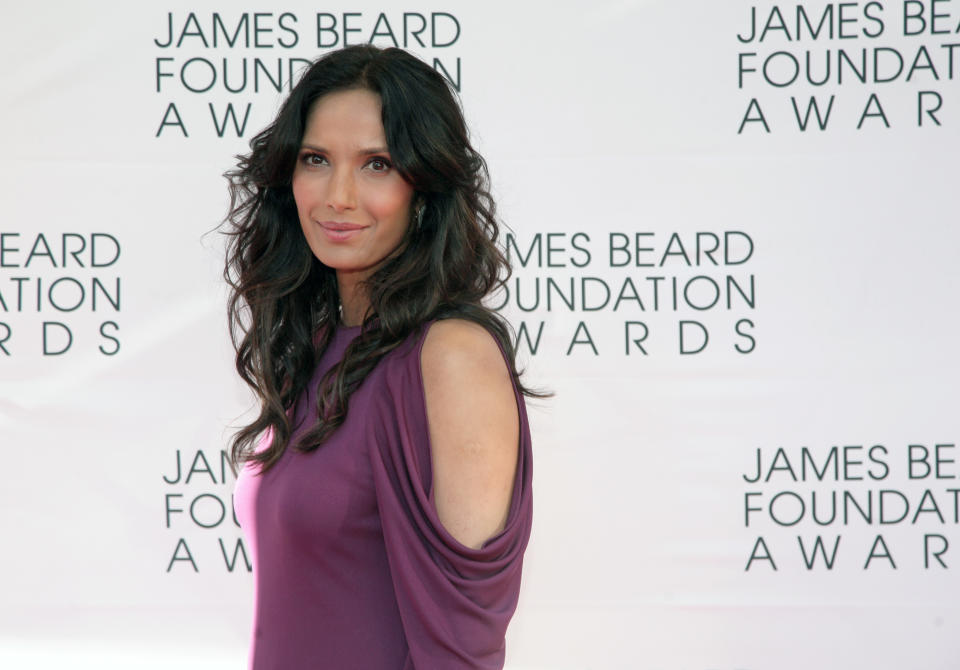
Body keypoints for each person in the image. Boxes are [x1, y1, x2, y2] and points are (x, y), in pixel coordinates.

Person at [221, 44, 546, 669]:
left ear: (423, 186)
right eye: (316, 160)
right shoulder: (317, 347)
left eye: (377, 165)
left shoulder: (450, 355)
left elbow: (463, 649)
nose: (338, 196)